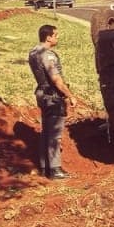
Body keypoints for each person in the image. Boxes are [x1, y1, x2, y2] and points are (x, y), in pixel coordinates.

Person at [28, 24, 77, 179]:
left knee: (45, 132)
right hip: (52, 96)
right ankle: (55, 169)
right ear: (48, 37)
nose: (58, 37)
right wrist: (70, 95)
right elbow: (56, 79)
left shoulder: (33, 52)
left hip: (42, 94)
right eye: (56, 35)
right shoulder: (47, 55)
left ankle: (44, 167)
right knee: (54, 134)